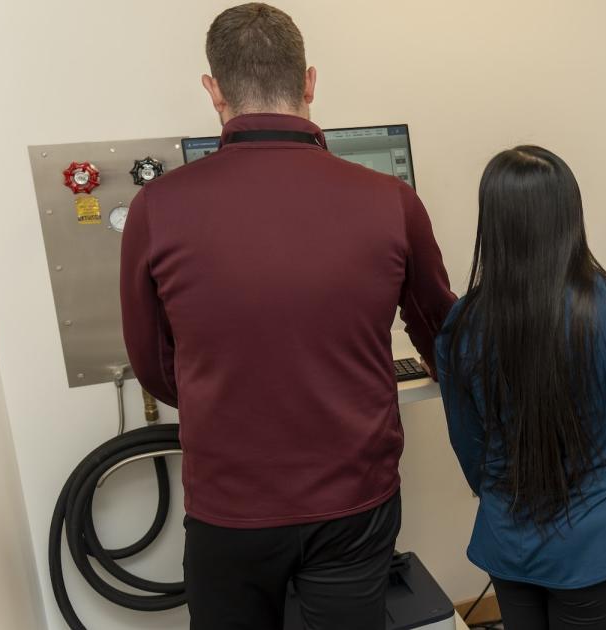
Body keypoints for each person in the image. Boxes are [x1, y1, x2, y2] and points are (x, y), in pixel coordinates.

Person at [119, 4, 455, 629]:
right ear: (309, 83)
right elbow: (441, 330)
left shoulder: (157, 208)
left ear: (213, 90)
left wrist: (221, 396)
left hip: (229, 502)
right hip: (354, 496)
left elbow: (153, 363)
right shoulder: (392, 201)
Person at [436, 146, 606, 630]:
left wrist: (496, 497)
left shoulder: (463, 320)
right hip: (596, 540)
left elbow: (466, 439)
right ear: (571, 214)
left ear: (493, 222)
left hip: (508, 538)